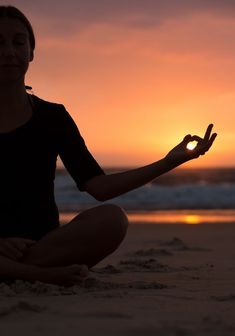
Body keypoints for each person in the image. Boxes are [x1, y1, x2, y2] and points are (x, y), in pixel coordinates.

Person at [0, 5, 217, 287]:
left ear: (31, 51)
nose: (8, 52)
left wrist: (170, 161)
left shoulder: (52, 117)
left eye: (18, 42)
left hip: (43, 246)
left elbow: (99, 187)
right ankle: (37, 275)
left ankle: (16, 271)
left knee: (113, 219)